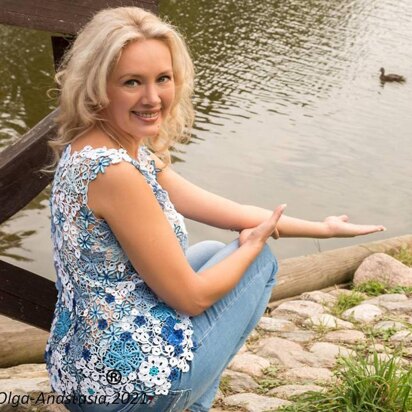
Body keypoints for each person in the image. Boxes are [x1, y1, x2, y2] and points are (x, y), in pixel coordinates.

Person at [44, 6, 386, 412]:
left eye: (163, 79)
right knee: (258, 263)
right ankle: (187, 404)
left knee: (207, 254)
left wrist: (322, 229)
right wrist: (249, 248)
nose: (153, 98)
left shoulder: (97, 147)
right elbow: (192, 299)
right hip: (124, 392)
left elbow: (229, 211)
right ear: (98, 87)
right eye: (132, 82)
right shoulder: (116, 174)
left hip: (81, 369)